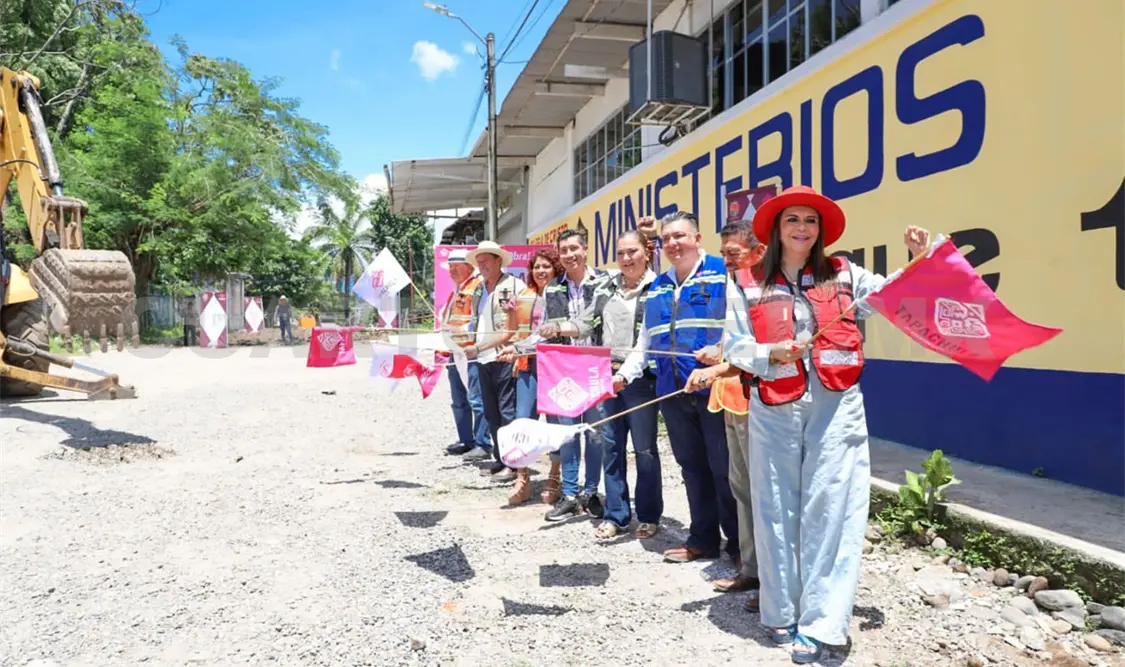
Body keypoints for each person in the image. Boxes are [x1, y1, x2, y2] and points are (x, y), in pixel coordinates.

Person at [724, 184, 931, 663]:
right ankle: (780, 613)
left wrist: (917, 260)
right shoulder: (748, 280)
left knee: (834, 507)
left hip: (836, 405)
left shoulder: (845, 273)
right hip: (773, 405)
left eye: (810, 221)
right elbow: (732, 345)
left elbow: (888, 298)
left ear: (821, 231)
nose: (802, 228)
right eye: (793, 219)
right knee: (775, 508)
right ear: (777, 228)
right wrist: (768, 352)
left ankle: (824, 623)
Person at [616, 211, 740, 567]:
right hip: (672, 391)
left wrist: (722, 352)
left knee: (723, 467)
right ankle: (702, 538)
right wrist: (624, 375)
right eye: (667, 238)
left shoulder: (722, 273)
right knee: (691, 467)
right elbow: (646, 341)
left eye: (680, 236)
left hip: (716, 390)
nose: (672, 243)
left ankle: (737, 545)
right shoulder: (659, 285)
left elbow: (742, 327)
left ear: (697, 239)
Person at [559, 230, 662, 539]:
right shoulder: (606, 288)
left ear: (646, 252)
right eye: (621, 254)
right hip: (605, 377)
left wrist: (627, 374)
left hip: (641, 380)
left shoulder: (657, 288)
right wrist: (556, 328)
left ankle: (648, 514)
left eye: (632, 252)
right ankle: (617, 515)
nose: (627, 259)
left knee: (644, 450)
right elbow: (585, 323)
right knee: (611, 447)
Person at [685, 218, 767, 607]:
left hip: (761, 405)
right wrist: (720, 355)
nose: (727, 261)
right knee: (741, 489)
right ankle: (751, 569)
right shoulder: (736, 286)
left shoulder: (768, 290)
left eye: (733, 254)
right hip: (731, 399)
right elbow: (734, 338)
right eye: (724, 254)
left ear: (758, 251)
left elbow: (762, 347)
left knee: (763, 492)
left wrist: (718, 364)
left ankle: (773, 581)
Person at [535, 228, 611, 522]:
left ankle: (590, 493)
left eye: (573, 248)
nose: (569, 255)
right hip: (564, 373)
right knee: (567, 435)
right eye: (563, 250)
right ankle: (569, 495)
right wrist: (517, 346)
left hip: (595, 370)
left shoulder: (606, 281)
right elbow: (541, 330)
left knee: (595, 434)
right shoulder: (552, 289)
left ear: (586, 248)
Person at [498, 247, 564, 504]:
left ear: (555, 268)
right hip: (528, 365)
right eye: (536, 266)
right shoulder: (524, 295)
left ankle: (554, 476)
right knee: (523, 421)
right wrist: (515, 351)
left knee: (557, 423)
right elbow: (514, 331)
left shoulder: (563, 293)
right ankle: (522, 479)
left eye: (546, 266)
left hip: (556, 368)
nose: (540, 271)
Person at [463, 241, 525, 476]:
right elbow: (475, 320)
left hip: (503, 357)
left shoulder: (510, 287)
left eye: (485, 261)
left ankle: (513, 464)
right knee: (491, 412)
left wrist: (478, 348)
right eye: (479, 262)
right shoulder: (479, 289)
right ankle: (500, 458)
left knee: (506, 411)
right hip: (483, 358)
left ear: (498, 260)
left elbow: (509, 330)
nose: (481, 266)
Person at [439, 249, 493, 458]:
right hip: (455, 350)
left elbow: (478, 317)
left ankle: (482, 442)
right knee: (459, 398)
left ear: (469, 267)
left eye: (456, 266)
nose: (451, 271)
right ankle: (466, 439)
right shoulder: (458, 289)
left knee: (476, 397)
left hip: (470, 350)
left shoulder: (477, 288)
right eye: (450, 267)